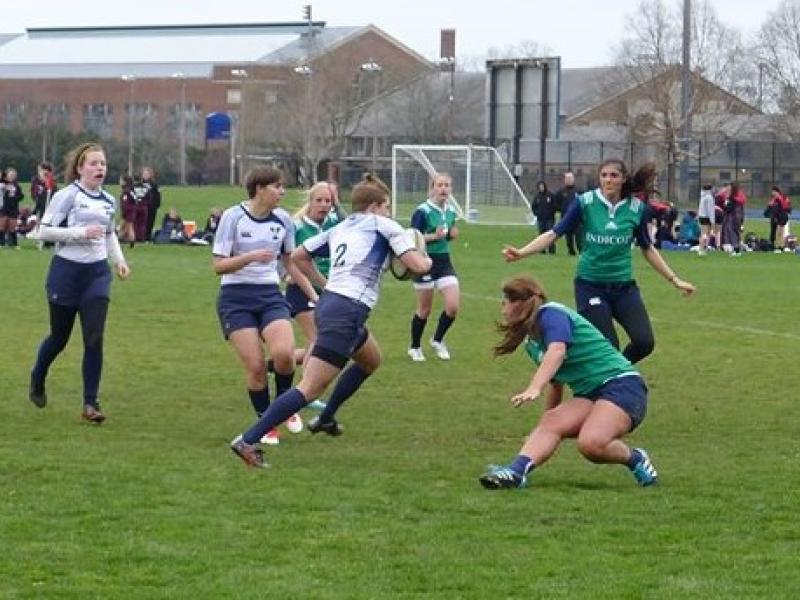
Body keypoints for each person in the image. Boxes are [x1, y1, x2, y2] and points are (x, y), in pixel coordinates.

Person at [229, 173, 432, 468]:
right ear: (375, 206)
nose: (389, 212)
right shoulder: (384, 226)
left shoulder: (342, 226)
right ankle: (248, 440)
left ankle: (326, 418)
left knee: (370, 360)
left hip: (332, 305)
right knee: (309, 388)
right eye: (386, 206)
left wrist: (326, 284)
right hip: (347, 311)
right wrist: (425, 258)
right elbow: (415, 266)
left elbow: (299, 256)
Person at [502, 158, 696, 364]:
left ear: (623, 179)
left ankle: (612, 374)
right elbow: (553, 234)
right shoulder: (585, 203)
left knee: (644, 342)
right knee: (609, 345)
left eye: (613, 175)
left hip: (623, 288)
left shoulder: (637, 209)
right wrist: (522, 252)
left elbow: (647, 248)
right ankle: (612, 379)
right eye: (604, 175)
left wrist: (675, 280)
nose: (608, 180)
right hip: (590, 286)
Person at [478, 276, 658, 489]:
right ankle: (516, 473)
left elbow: (558, 351)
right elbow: (556, 383)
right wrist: (545, 426)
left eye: (505, 301)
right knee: (552, 421)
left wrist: (534, 387)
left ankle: (636, 458)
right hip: (591, 394)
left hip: (622, 386)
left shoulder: (551, 314)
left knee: (591, 444)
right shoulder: (532, 343)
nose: (502, 307)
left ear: (521, 303)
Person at [28, 142, 131, 423]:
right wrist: (80, 233)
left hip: (96, 275)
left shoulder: (109, 201)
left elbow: (109, 234)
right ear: (80, 168)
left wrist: (118, 260)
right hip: (66, 273)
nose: (100, 168)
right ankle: (38, 375)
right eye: (94, 163)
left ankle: (90, 403)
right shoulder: (67, 196)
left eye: (103, 164)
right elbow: (41, 232)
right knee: (59, 338)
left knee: (94, 338)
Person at [213, 166, 316, 446]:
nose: (282, 192)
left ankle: (284, 407)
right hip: (235, 299)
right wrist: (249, 258)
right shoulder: (233, 217)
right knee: (257, 367)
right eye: (277, 186)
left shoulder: (283, 220)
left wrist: (315, 294)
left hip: (270, 295)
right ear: (259, 189)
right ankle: (266, 424)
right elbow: (218, 265)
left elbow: (290, 263)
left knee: (283, 354)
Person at [407, 172, 460, 362]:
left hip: (444, 261)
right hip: (423, 262)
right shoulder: (422, 211)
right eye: (440, 185)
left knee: (453, 306)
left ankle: (437, 340)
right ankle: (414, 347)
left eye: (447, 185)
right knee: (424, 309)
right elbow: (412, 238)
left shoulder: (451, 211)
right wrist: (432, 237)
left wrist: (451, 235)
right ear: (432, 189)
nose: (444, 188)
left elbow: (448, 233)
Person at [552, 171, 582, 255]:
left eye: (570, 178)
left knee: (579, 237)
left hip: (578, 219)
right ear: (565, 180)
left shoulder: (579, 190)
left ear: (573, 179)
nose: (569, 180)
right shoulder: (561, 192)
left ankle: (581, 251)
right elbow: (555, 203)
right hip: (566, 218)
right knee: (568, 237)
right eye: (567, 178)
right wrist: (561, 210)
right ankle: (571, 251)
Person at [530, 180, 557, 254]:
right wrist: (537, 214)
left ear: (545, 186)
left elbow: (555, 206)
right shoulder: (537, 196)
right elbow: (533, 207)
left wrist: (550, 213)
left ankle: (552, 251)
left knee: (550, 235)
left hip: (549, 219)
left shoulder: (550, 195)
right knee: (541, 235)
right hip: (540, 219)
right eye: (540, 186)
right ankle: (542, 250)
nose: (541, 188)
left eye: (542, 186)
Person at [0, 167, 25, 248]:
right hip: (3, 207)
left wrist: (16, 198)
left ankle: (13, 244)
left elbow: (21, 196)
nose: (11, 177)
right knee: (2, 225)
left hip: (13, 208)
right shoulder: (2, 184)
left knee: (12, 227)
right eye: (10, 175)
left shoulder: (17, 186)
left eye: (13, 175)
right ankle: (1, 243)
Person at [720, 182, 746, 256]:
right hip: (739, 216)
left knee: (732, 232)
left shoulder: (731, 197)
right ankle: (738, 249)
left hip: (732, 217)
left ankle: (736, 249)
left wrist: (725, 204)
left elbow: (728, 208)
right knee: (737, 232)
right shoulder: (740, 196)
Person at [766, 185, 791, 252]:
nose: (772, 193)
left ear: (776, 192)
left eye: (773, 191)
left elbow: (776, 209)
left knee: (778, 232)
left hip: (781, 216)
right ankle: (781, 246)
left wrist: (775, 217)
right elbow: (787, 207)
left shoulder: (778, 199)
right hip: (784, 216)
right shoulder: (782, 197)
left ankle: (777, 247)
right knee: (781, 232)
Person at [142, 166, 161, 242]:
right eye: (144, 174)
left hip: (152, 207)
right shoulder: (140, 184)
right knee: (142, 222)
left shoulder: (154, 184)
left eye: (147, 174)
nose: (145, 175)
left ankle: (148, 237)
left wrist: (157, 205)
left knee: (150, 222)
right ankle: (141, 236)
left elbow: (158, 195)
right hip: (143, 206)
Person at [697, 183, 716, 256]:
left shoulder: (703, 196)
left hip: (702, 216)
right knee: (705, 234)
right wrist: (712, 221)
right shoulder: (709, 197)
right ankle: (701, 249)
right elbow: (710, 210)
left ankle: (703, 248)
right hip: (706, 217)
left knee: (703, 234)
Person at [119, 175, 137, 247]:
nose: (120, 182)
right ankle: (120, 240)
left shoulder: (126, 192)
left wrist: (124, 212)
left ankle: (131, 242)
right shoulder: (132, 190)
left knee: (129, 228)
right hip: (132, 211)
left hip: (128, 212)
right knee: (124, 227)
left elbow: (125, 203)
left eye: (121, 180)